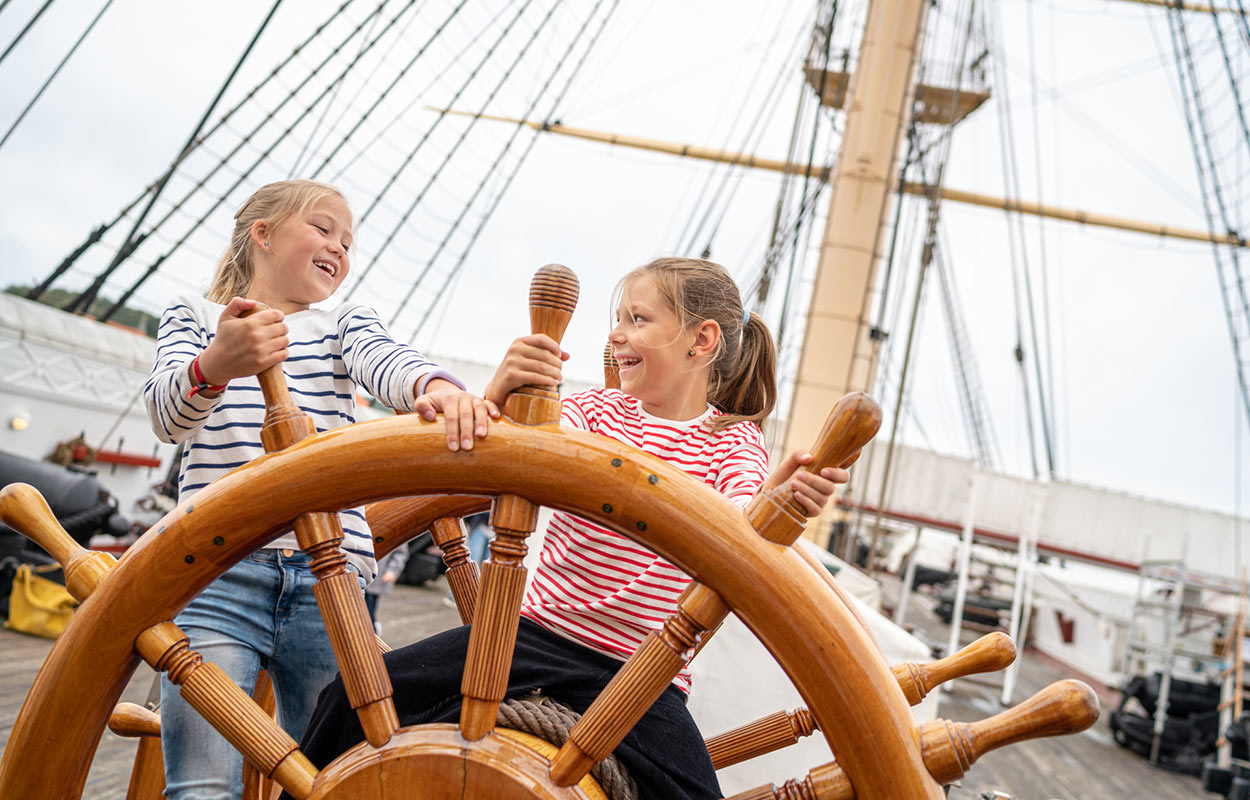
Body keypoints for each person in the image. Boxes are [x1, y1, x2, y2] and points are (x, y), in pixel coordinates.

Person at [293, 257, 849, 800]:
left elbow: (739, 525)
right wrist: (502, 392)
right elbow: (514, 447)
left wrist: (780, 501)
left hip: (639, 678)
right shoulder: (599, 413)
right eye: (619, 319)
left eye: (638, 319)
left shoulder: (733, 443)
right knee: (350, 698)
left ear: (700, 341)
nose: (617, 334)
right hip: (527, 639)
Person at [143, 179, 495, 800]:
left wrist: (435, 388)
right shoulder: (197, 319)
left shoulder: (341, 325)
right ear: (264, 233)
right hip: (218, 573)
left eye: (348, 241)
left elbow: (385, 360)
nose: (339, 247)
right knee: (201, 785)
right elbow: (168, 417)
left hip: (329, 580)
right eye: (324, 228)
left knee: (336, 783)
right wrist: (216, 363)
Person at [366, 546, 411, 635]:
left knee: (368, 612)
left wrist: (392, 570)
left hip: (376, 579)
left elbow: (401, 553)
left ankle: (372, 633)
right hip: (358, 576)